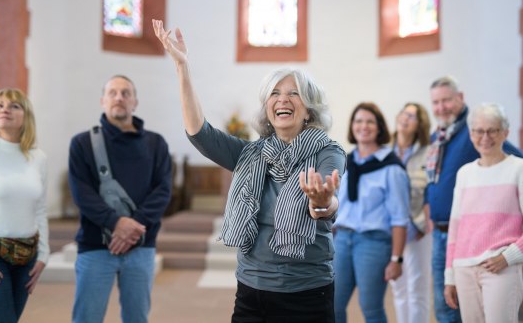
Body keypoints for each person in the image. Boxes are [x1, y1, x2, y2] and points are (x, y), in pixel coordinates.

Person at [153, 20, 346, 323]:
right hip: (251, 289)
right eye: (275, 93)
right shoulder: (249, 154)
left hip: (306, 291)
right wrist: (182, 67)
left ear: (308, 109)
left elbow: (327, 201)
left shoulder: (327, 151)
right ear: (268, 107)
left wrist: (321, 202)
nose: (282, 99)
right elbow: (199, 132)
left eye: (294, 94)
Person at [69, 75, 172, 323]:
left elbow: (163, 190)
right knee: (87, 317)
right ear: (102, 101)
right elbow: (82, 192)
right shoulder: (82, 143)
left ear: (135, 102)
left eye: (126, 93)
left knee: (137, 318)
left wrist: (132, 227)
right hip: (95, 246)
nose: (119, 98)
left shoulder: (155, 143)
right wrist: (117, 223)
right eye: (113, 93)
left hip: (141, 245)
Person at [424, 76, 522, 323]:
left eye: (447, 100)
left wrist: (509, 255)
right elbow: (436, 183)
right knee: (446, 310)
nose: (484, 137)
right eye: (436, 102)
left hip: (496, 258)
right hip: (455, 250)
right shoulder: (442, 140)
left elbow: (507, 156)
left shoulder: (514, 165)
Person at [333, 102, 409, 323]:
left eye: (369, 121)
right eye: (358, 121)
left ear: (379, 128)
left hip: (373, 243)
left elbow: (400, 218)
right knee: (332, 305)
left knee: (371, 307)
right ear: (352, 126)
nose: (363, 126)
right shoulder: (344, 162)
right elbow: (336, 203)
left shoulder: (391, 167)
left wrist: (397, 259)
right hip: (342, 239)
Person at [0, 88, 49, 323]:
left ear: (26, 116)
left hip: (28, 256)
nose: (5, 109)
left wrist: (43, 254)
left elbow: (41, 209)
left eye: (14, 106)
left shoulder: (38, 158)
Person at [389, 102, 432, 323]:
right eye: (404, 113)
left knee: (418, 288)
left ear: (419, 126)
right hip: (393, 230)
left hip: (418, 229)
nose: (406, 118)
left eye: (412, 117)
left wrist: (423, 225)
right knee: (399, 288)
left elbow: (431, 190)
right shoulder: (386, 150)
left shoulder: (427, 153)